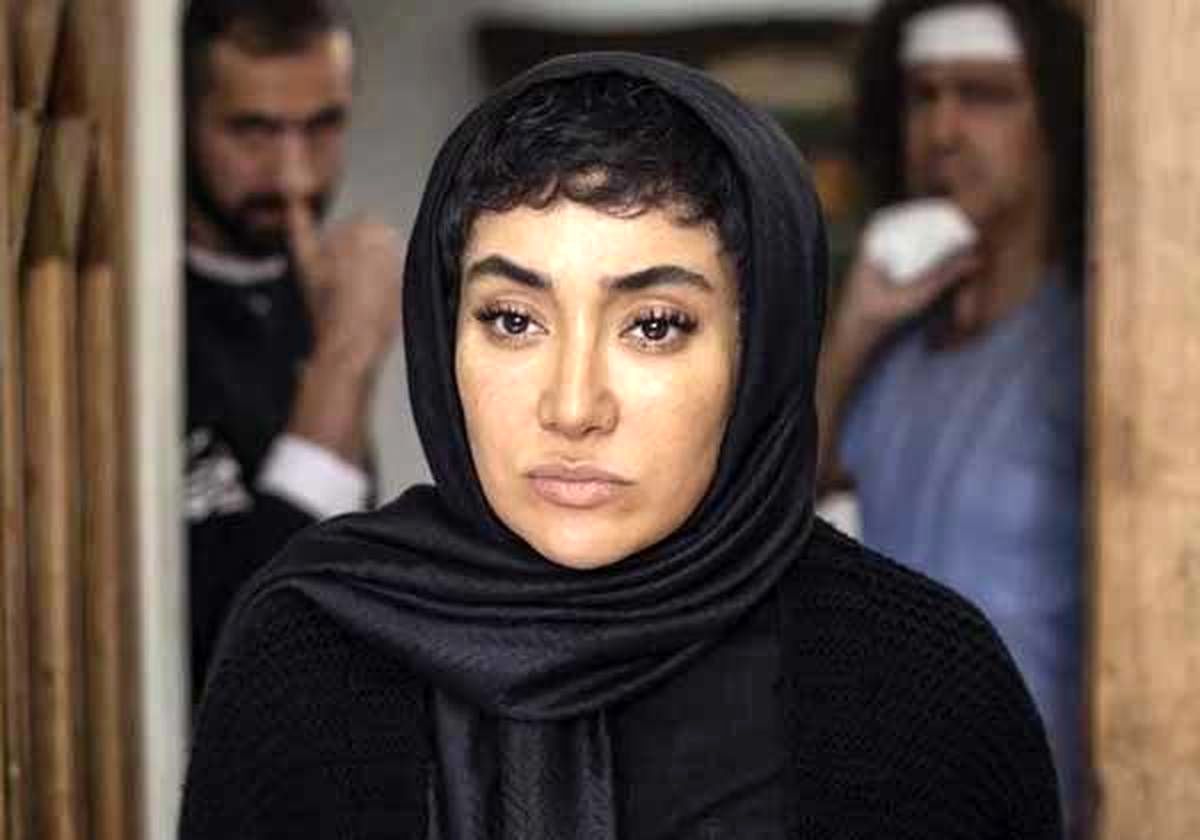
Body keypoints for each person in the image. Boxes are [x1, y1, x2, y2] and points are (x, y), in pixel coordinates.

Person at [180, 53, 1061, 839]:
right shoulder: (312, 655)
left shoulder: (922, 687)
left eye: (654, 325)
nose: (573, 407)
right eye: (513, 319)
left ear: (759, 349)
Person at [815, 0, 1087, 829]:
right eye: (921, 95)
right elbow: (775, 505)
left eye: (985, 94)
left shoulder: (1099, 350)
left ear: (1055, 117)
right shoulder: (888, 347)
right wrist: (851, 332)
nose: (943, 130)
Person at [183, 0, 403, 694]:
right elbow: (235, 656)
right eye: (253, 131)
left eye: (321, 126)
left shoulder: (309, 290)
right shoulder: (139, 324)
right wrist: (346, 359)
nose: (295, 177)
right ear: (181, 121)